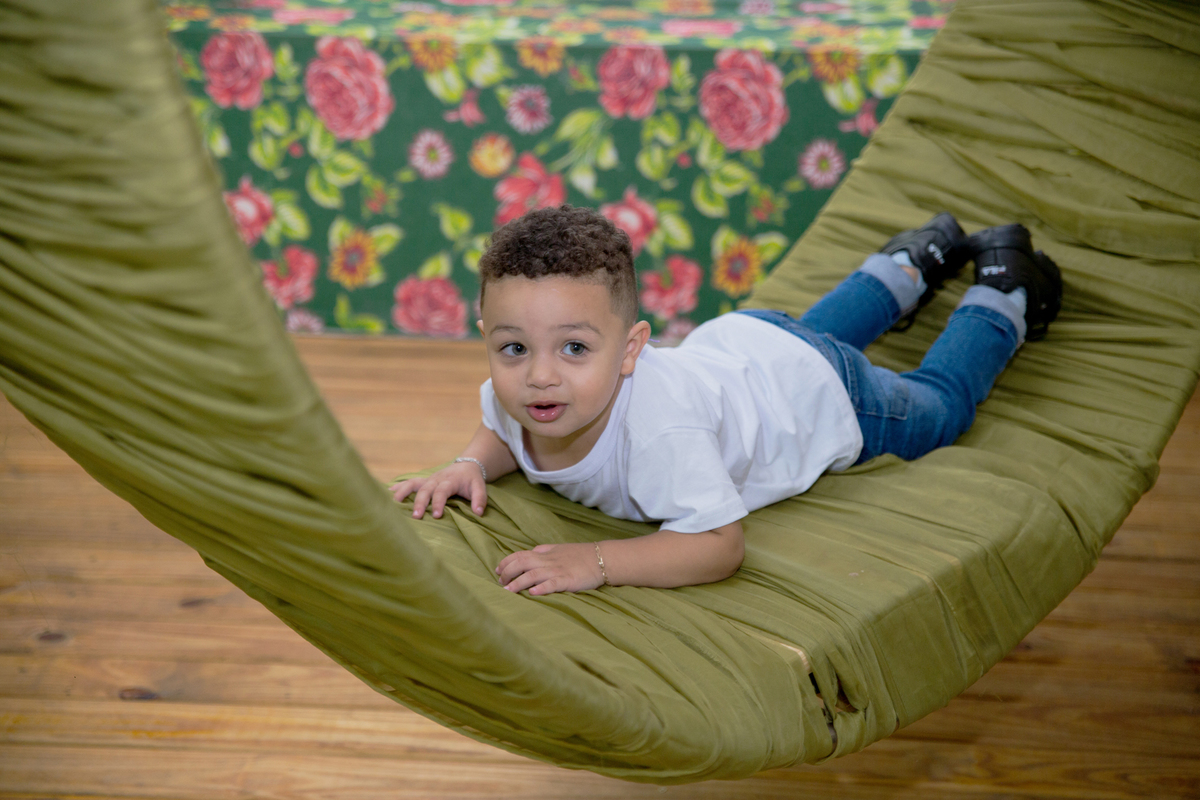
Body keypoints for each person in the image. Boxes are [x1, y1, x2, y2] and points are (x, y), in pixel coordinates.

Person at [390, 205, 1062, 596]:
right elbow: (501, 428)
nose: (538, 377)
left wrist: (595, 561)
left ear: (632, 349)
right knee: (814, 332)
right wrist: (469, 464)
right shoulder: (516, 393)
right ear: (488, 336)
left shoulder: (661, 436)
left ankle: (1004, 292)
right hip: (749, 343)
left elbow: (719, 545)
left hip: (823, 396)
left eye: (573, 348)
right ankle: (911, 263)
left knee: (939, 409)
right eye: (513, 348)